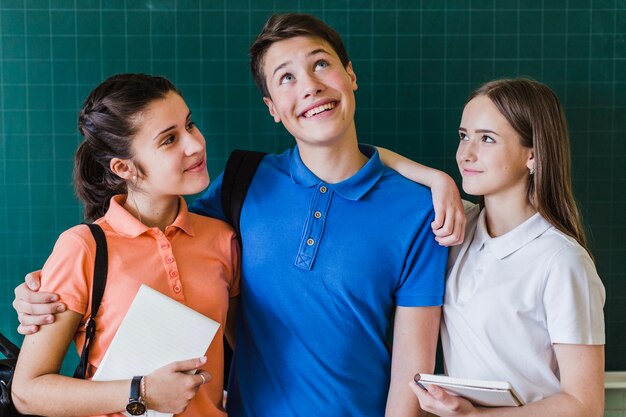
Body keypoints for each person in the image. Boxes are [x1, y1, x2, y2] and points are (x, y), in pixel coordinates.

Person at [11, 13, 467, 417]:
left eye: (321, 64)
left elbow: (414, 368)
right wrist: (44, 287)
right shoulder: (241, 186)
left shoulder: (418, 210)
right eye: (285, 77)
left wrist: (428, 175)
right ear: (271, 108)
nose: (309, 85)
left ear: (350, 74)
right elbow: (128, 246)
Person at [11, 73, 240, 417]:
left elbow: (251, 356)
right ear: (124, 167)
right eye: (169, 140)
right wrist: (141, 392)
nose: (195, 144)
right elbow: (28, 391)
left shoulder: (223, 238)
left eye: (190, 125)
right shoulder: (83, 247)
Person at [386, 78, 605, 416]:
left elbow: (584, 404)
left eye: (486, 138)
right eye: (463, 136)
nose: (465, 153)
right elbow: (372, 158)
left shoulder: (561, 260)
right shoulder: (459, 226)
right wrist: (437, 179)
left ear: (532, 154)